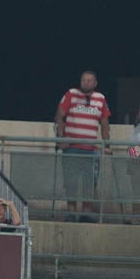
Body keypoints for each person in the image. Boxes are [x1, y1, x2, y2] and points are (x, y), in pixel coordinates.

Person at [54, 70, 111, 210]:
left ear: (95, 83)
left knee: (90, 182)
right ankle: (71, 212)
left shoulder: (100, 98)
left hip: (91, 150)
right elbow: (59, 117)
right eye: (84, 80)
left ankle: (87, 212)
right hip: (71, 147)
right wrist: (61, 138)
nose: (86, 82)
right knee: (70, 182)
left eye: (89, 80)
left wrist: (107, 145)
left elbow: (104, 124)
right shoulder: (71, 94)